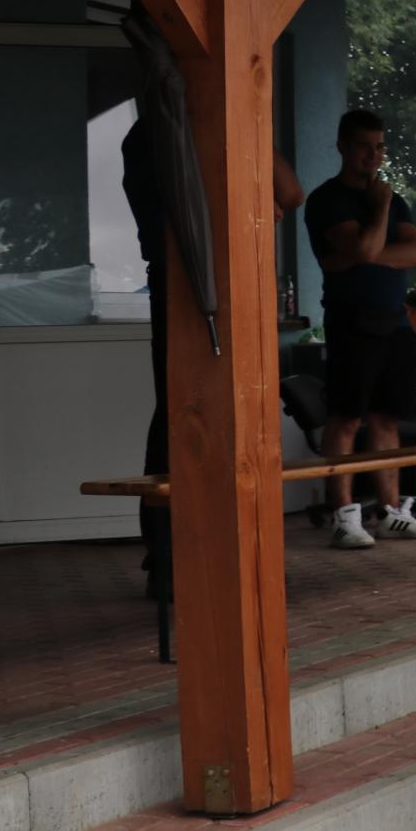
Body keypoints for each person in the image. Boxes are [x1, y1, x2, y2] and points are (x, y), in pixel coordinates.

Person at [125, 120, 301, 601]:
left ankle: (232, 551)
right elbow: (188, 216)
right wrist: (250, 203)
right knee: (179, 417)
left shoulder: (229, 124)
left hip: (233, 282)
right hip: (183, 284)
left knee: (230, 417)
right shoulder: (160, 134)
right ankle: (168, 556)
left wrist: (255, 128)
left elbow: (290, 193)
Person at [304, 109, 416, 549]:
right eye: (365, 146)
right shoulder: (329, 199)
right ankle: (345, 516)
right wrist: (378, 214)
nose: (374, 155)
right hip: (351, 320)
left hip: (395, 323)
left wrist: (364, 255)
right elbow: (363, 245)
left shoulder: (395, 199)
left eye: (380, 147)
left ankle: (389, 512)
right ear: (342, 146)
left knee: (387, 418)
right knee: (346, 417)